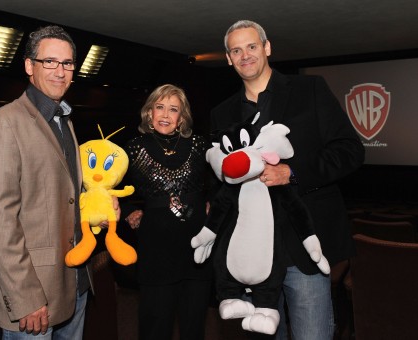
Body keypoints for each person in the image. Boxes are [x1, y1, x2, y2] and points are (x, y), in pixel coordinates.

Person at [210, 20, 365, 339]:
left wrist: (292, 171)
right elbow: (223, 177)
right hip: (253, 255)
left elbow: (350, 150)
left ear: (267, 48)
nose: (245, 55)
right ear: (228, 58)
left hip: (301, 247)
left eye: (251, 46)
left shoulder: (310, 89)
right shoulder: (221, 114)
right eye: (236, 50)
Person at [0, 25, 91, 339]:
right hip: (34, 295)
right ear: (29, 66)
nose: (60, 71)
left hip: (74, 282)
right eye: (49, 62)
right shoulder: (3, 125)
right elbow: (1, 223)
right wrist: (26, 298)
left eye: (67, 63)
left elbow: (65, 193)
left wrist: (98, 204)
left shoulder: (63, 119)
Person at [123, 84, 213, 340]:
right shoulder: (133, 147)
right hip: (156, 250)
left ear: (181, 117)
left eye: (173, 109)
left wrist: (211, 202)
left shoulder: (198, 144)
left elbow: (222, 179)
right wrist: (130, 210)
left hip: (197, 248)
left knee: (194, 325)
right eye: (159, 107)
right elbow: (111, 187)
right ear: (149, 113)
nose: (165, 114)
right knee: (155, 325)